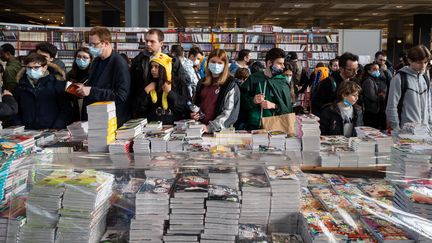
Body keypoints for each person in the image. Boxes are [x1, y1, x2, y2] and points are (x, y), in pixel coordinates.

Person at [75, 27, 130, 127]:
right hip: (94, 117)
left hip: (109, 120)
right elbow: (95, 84)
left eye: (95, 44)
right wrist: (83, 89)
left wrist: (91, 91)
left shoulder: (119, 63)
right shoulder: (96, 61)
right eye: (90, 44)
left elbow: (121, 95)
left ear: (106, 43)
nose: (91, 47)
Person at [130, 29, 191, 118]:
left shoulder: (172, 61)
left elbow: (183, 83)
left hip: (170, 107)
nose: (148, 44)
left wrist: (169, 88)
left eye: (152, 41)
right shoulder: (138, 61)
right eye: (146, 41)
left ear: (161, 43)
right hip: (147, 108)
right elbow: (134, 87)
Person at [13, 53, 72, 129]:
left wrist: (57, 127)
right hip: (27, 131)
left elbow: (66, 110)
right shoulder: (20, 86)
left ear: (45, 67)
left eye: (36, 67)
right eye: (29, 68)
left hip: (52, 130)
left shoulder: (56, 84)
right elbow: (15, 111)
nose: (32, 70)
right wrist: (19, 127)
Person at [240, 48, 293, 130]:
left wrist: (274, 106)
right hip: (254, 126)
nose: (283, 66)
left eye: (283, 63)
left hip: (276, 126)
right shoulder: (254, 78)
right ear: (269, 63)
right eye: (279, 63)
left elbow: (288, 109)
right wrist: (253, 101)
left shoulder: (282, 82)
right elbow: (241, 101)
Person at [192, 49, 240, 133]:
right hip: (200, 128)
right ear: (208, 62)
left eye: (220, 63)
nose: (216, 65)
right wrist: (193, 114)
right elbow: (196, 103)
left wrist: (210, 127)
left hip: (219, 130)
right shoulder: (202, 82)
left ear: (225, 65)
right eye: (213, 62)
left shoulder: (230, 85)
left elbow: (229, 114)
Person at [386, 45, 432, 132]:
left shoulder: (425, 78)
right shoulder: (399, 78)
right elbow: (391, 107)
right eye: (419, 62)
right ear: (409, 60)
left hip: (425, 132)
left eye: (425, 62)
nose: (423, 66)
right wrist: (396, 129)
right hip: (405, 132)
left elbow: (429, 105)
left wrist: (430, 127)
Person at [140, 52, 190, 124]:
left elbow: (185, 107)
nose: (152, 70)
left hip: (175, 125)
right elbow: (140, 109)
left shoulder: (178, 83)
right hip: (153, 126)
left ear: (165, 68)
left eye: (156, 67)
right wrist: (146, 91)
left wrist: (170, 93)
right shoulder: (149, 84)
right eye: (151, 66)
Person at [311, 52, 359, 118]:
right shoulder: (328, 82)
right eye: (350, 70)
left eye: (356, 69)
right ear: (341, 69)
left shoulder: (355, 82)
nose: (355, 73)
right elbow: (316, 105)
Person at [66, 47, 93, 121]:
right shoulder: (70, 74)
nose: (81, 59)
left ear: (90, 60)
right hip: (74, 106)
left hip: (89, 106)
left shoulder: (94, 74)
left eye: (85, 57)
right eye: (79, 57)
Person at [361, 63, 387, 130]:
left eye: (378, 69)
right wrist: (381, 96)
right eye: (374, 69)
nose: (377, 71)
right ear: (369, 71)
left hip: (375, 110)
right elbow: (372, 96)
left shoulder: (374, 79)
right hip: (371, 110)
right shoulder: (368, 81)